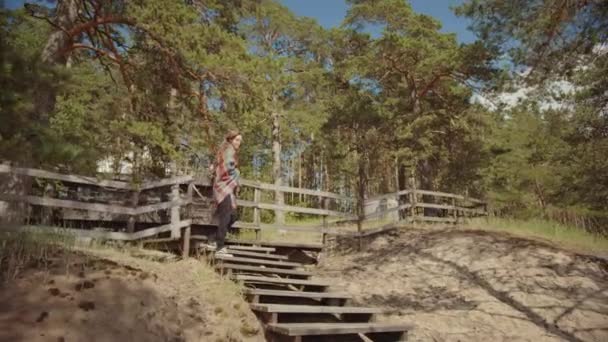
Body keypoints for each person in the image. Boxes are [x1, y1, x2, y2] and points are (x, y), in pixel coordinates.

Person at [211, 130, 242, 255]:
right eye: (237, 140)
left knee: (232, 214)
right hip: (223, 187)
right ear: (230, 140)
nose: (239, 143)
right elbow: (229, 166)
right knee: (226, 216)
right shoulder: (230, 150)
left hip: (225, 188)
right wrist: (237, 173)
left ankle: (213, 238)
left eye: (240, 141)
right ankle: (219, 246)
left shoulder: (224, 150)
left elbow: (217, 166)